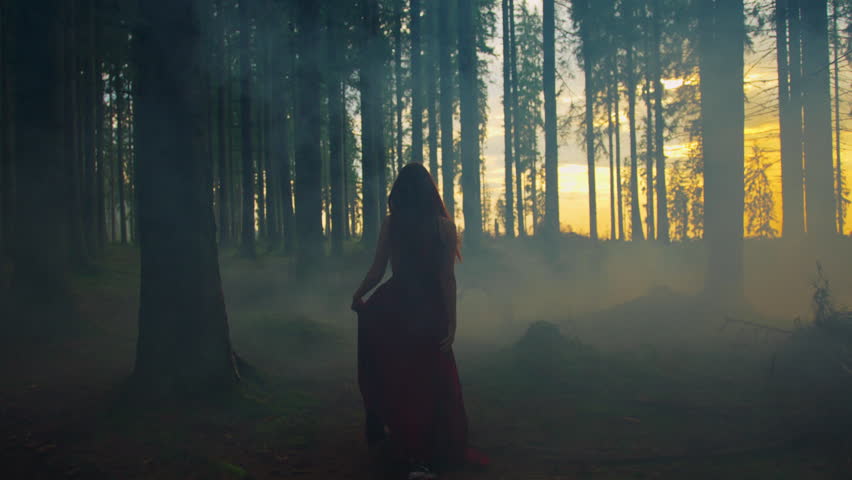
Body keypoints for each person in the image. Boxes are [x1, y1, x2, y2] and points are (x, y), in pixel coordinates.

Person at [351, 163, 486, 479]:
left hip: (396, 307)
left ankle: (405, 445)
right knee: (430, 380)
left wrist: (358, 296)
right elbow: (446, 280)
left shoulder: (393, 223)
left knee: (400, 377)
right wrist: (451, 322)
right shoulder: (444, 227)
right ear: (430, 193)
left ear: (400, 193)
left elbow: (378, 269)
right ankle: (429, 451)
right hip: (430, 310)